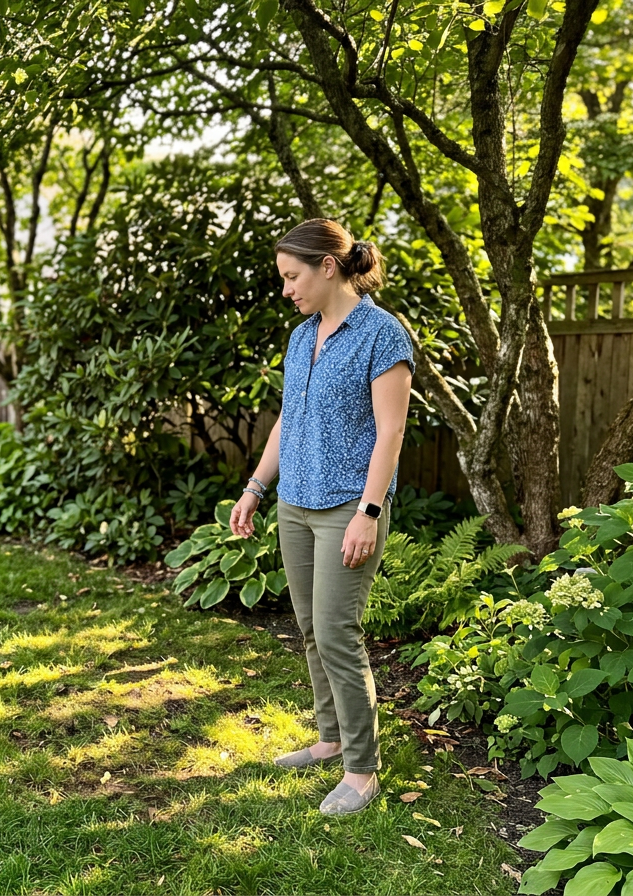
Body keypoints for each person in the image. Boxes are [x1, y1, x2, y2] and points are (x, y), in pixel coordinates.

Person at [230, 218, 413, 816]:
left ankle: (362, 769)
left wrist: (369, 511)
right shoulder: (301, 336)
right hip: (295, 506)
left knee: (338, 632)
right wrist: (257, 487)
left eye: (292, 276)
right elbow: (290, 420)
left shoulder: (382, 335)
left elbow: (390, 434)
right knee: (310, 629)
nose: (286, 289)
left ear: (327, 267)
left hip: (345, 508)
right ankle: (330, 738)